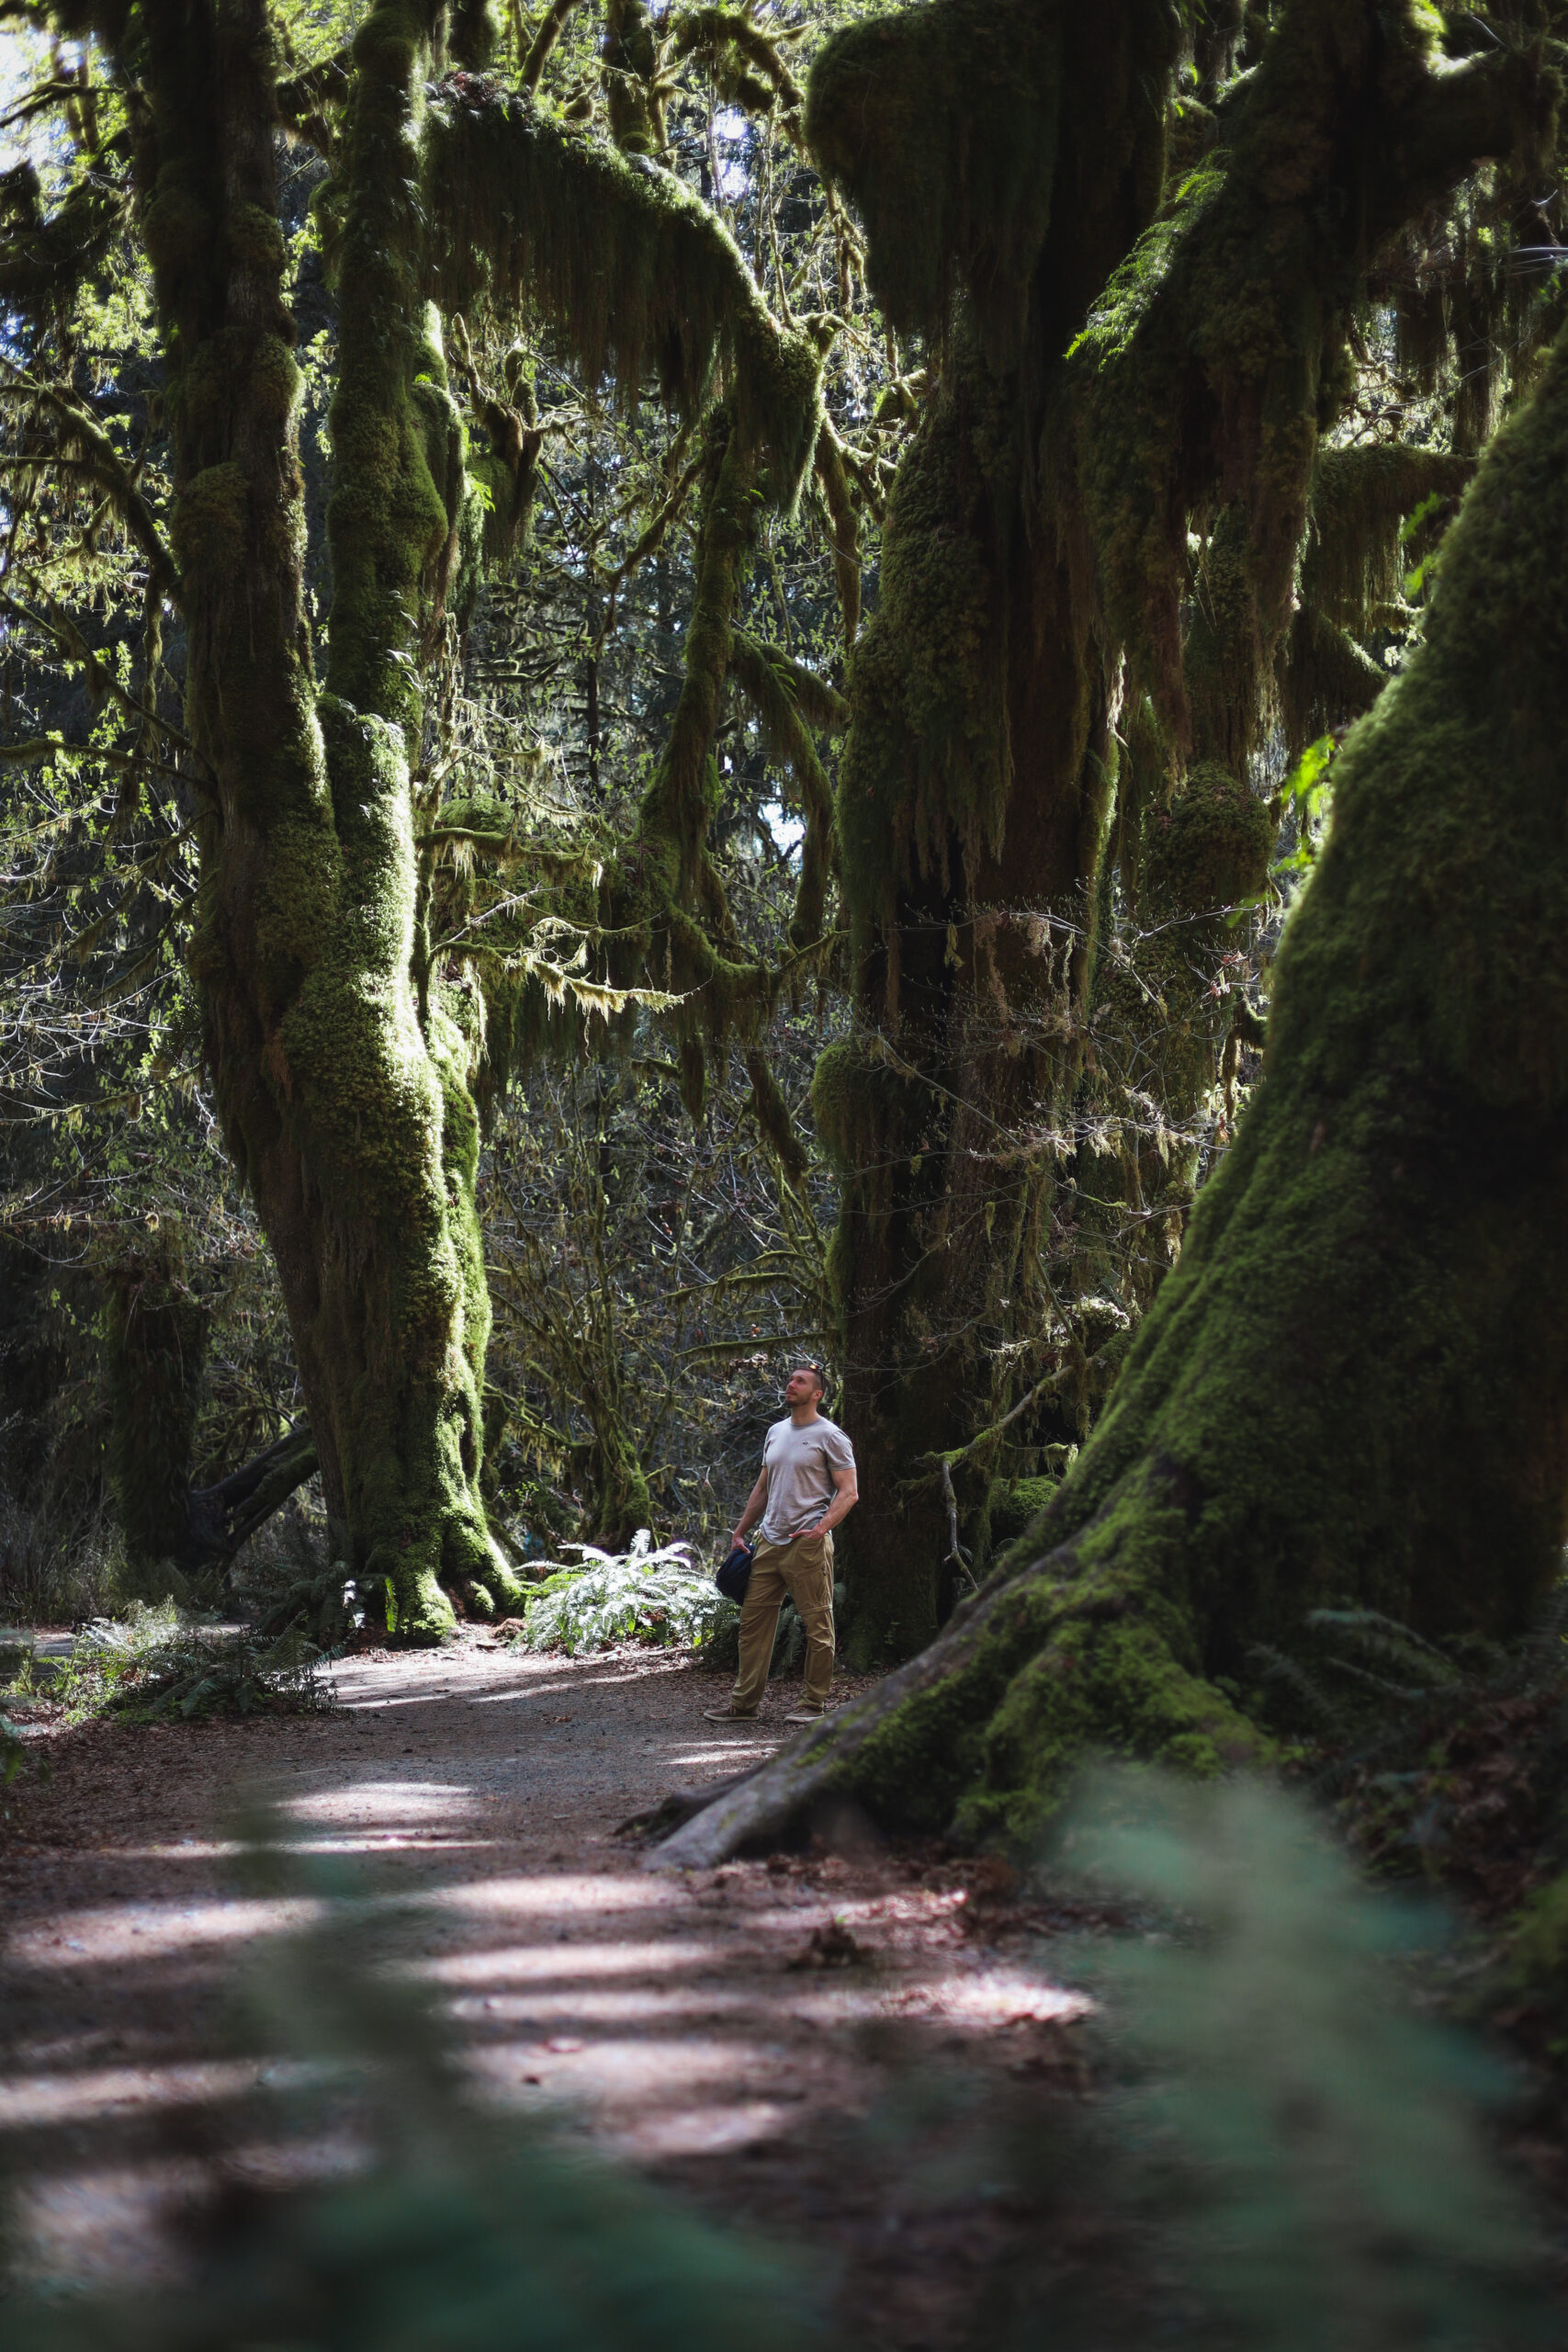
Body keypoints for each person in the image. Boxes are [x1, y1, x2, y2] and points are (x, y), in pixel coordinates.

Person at [705, 1363, 858, 1725]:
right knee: (752, 1625)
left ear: (816, 1394)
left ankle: (812, 1705)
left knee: (818, 1625)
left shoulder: (831, 1436)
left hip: (807, 1544)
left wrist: (820, 1530)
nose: (791, 1384)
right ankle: (743, 1706)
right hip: (768, 1542)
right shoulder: (775, 1432)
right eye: (790, 1379)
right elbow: (762, 1487)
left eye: (800, 1381)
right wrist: (741, 1530)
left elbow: (849, 1492)